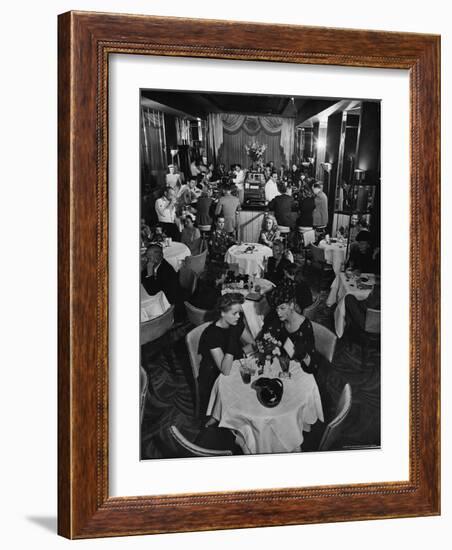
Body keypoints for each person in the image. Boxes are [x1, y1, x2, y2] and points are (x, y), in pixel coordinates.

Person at [198, 293, 253, 415]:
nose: (239, 317)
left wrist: (240, 352)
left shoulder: (236, 322)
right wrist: (233, 339)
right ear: (222, 313)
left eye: (240, 312)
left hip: (233, 363)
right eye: (235, 313)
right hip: (213, 374)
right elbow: (225, 370)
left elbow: (252, 344)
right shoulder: (211, 334)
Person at [260, 287, 317, 375]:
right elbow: (265, 338)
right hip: (278, 364)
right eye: (276, 308)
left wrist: (303, 355)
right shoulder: (276, 318)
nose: (278, 313)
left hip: (298, 371)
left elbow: (312, 367)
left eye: (282, 308)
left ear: (291, 305)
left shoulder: (305, 327)